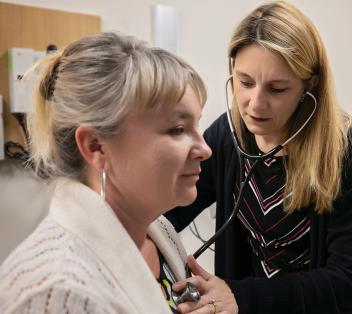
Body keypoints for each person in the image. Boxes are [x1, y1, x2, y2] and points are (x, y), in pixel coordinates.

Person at [166, 1, 352, 313]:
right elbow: (171, 207)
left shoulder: (347, 147)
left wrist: (241, 296)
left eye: (277, 89)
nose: (255, 104)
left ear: (310, 84)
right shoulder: (228, 135)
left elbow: (351, 279)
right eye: (245, 82)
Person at [0, 32, 228, 313]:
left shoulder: (157, 233)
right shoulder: (61, 293)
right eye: (177, 130)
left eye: (197, 125)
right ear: (96, 147)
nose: (205, 149)